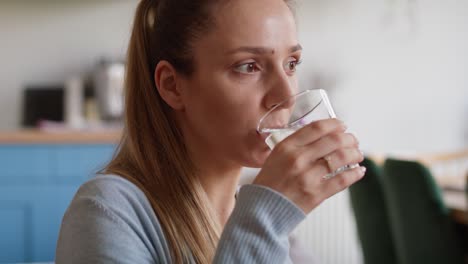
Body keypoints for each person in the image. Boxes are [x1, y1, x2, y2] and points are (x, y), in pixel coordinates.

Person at [55, 0, 365, 263]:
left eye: (291, 64)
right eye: (248, 66)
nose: (284, 95)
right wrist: (266, 217)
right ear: (172, 85)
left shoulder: (258, 218)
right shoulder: (107, 212)